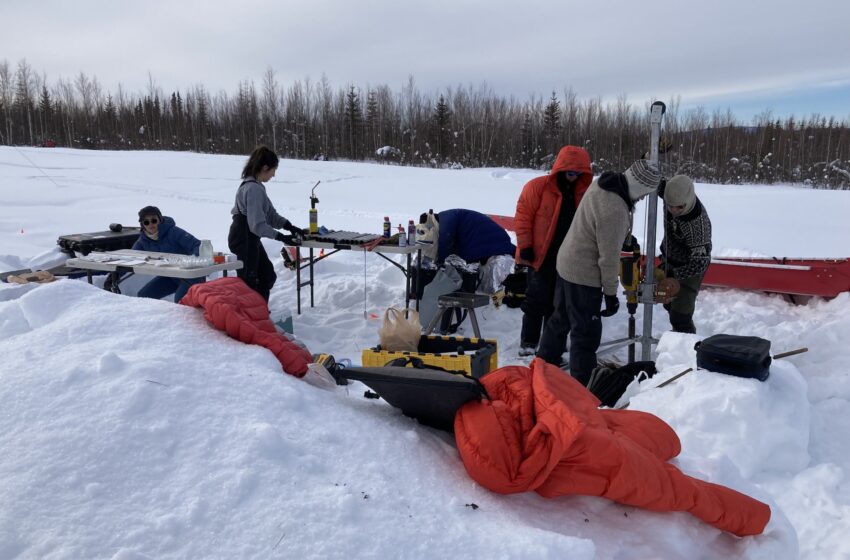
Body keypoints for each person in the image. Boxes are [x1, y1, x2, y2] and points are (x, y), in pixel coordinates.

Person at [537, 159, 662, 385]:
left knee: (559, 320)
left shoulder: (604, 183)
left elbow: (598, 229)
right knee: (585, 334)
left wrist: (622, 238)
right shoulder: (615, 209)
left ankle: (541, 368)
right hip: (584, 274)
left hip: (566, 262)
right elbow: (608, 259)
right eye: (644, 193)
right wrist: (611, 294)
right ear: (638, 187)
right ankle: (583, 389)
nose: (642, 198)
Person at [514, 145, 593, 356]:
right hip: (541, 256)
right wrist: (525, 245)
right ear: (560, 168)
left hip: (567, 258)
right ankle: (529, 342)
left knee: (558, 304)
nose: (573, 177)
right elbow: (523, 217)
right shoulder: (537, 187)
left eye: (578, 174)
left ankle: (551, 344)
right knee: (536, 300)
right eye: (570, 172)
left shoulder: (584, 193)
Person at [228, 145, 305, 302]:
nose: (274, 175)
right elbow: (257, 225)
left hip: (250, 237)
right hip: (244, 238)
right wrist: (282, 237)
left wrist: (290, 227)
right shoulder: (252, 189)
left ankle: (259, 313)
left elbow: (270, 215)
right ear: (265, 168)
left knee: (267, 276)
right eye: (273, 170)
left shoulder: (257, 187)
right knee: (250, 282)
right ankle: (250, 318)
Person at [656, 175, 712, 333]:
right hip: (670, 258)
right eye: (670, 206)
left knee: (680, 316)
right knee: (668, 302)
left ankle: (686, 349)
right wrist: (649, 157)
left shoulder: (697, 226)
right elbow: (651, 178)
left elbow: (699, 263)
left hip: (690, 267)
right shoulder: (670, 193)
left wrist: (674, 274)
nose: (673, 210)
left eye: (679, 207)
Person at [132, 205, 204, 302]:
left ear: (160, 220)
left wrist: (191, 262)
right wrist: (112, 277)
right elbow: (131, 257)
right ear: (142, 225)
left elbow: (198, 245)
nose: (150, 224)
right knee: (143, 295)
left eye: (154, 220)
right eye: (146, 222)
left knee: (180, 301)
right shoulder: (143, 241)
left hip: (190, 276)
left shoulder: (174, 232)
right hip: (170, 277)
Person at [417, 208, 515, 265]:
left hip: (487, 240)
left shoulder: (446, 221)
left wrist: (440, 262)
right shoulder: (445, 218)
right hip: (483, 240)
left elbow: (445, 242)